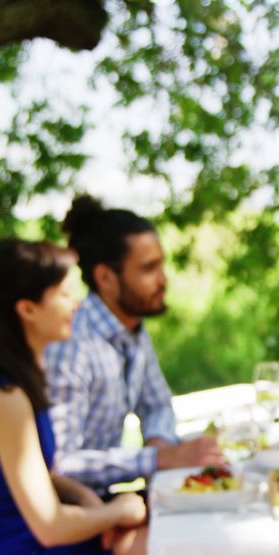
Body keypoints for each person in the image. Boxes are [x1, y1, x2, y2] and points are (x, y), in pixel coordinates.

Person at [0, 238, 148, 555]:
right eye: (66, 294)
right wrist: (118, 511)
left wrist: (87, 500)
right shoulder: (4, 399)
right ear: (27, 309)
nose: (77, 305)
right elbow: (51, 526)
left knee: (152, 542)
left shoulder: (17, 383)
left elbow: (40, 476)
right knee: (156, 547)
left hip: (37, 550)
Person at [45, 196, 223, 496]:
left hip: (103, 499)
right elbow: (60, 463)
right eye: (148, 268)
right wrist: (159, 458)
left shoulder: (133, 331)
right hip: (70, 510)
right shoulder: (72, 344)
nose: (163, 279)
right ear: (105, 277)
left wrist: (159, 442)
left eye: (161, 265)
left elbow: (156, 405)